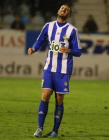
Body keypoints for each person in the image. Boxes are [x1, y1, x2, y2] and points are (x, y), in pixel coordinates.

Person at [28, 3, 82, 138]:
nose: (63, 10)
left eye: (66, 10)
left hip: (63, 69)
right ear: (58, 11)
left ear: (69, 15)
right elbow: (40, 40)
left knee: (59, 99)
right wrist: (34, 48)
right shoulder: (48, 26)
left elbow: (79, 52)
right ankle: (39, 129)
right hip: (49, 68)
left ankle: (54, 131)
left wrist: (69, 50)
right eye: (62, 8)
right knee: (45, 96)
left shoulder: (72, 30)